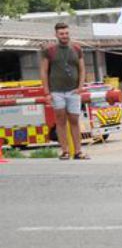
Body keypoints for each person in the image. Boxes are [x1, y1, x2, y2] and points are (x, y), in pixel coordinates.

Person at [39, 22, 88, 160]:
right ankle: (65, 151)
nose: (64, 36)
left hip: (73, 91)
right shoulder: (49, 50)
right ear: (56, 35)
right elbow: (43, 71)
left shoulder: (77, 49)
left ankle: (78, 151)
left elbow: (82, 68)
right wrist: (47, 92)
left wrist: (80, 86)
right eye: (61, 34)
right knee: (60, 120)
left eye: (66, 33)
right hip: (56, 91)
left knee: (74, 120)